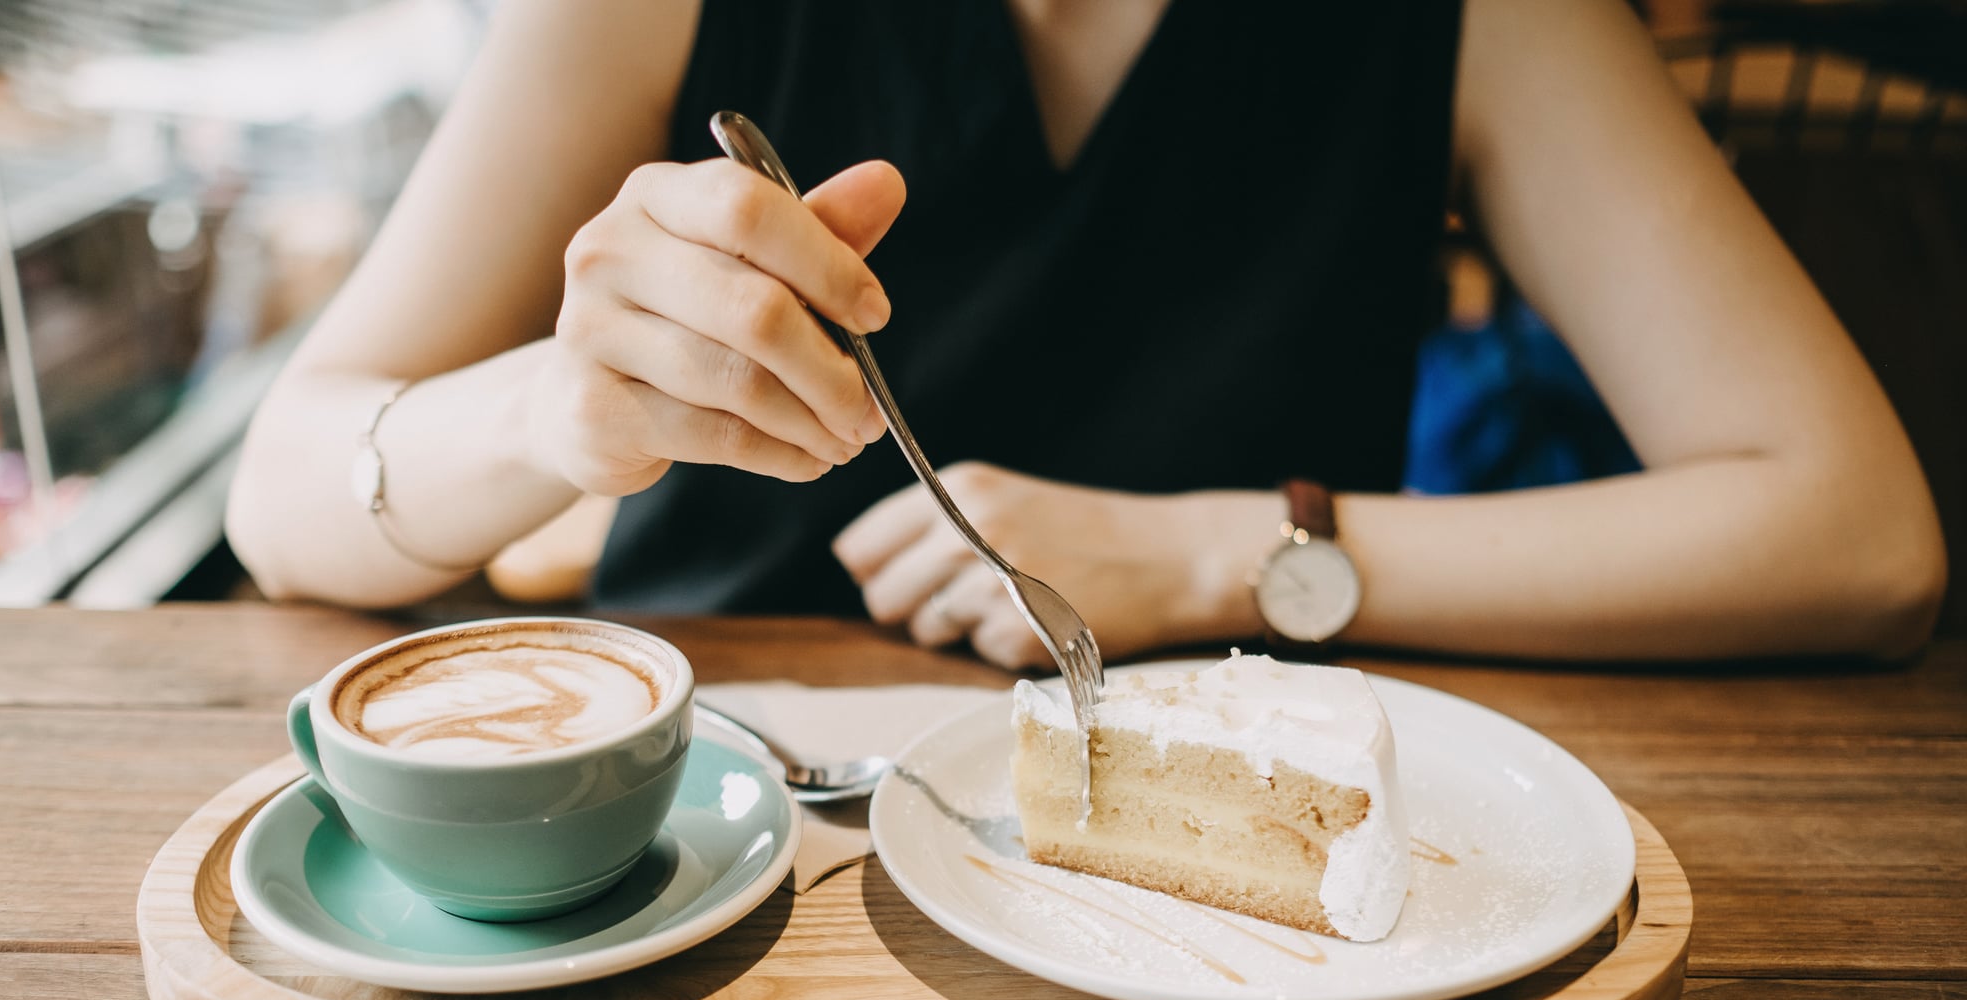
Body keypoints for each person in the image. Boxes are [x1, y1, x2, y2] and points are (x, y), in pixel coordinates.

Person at [226, 0, 1948, 667]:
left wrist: (1227, 557)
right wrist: (553, 419)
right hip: (707, 863)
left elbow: (1857, 529)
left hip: (1217, 868)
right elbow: (285, 494)